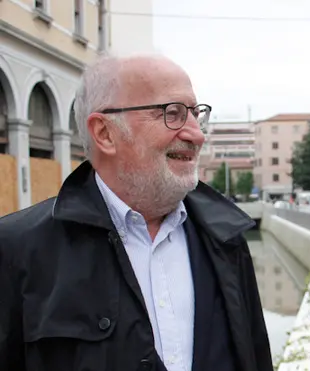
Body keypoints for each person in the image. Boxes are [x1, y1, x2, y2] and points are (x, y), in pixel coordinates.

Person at [0, 53, 273, 371]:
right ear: (105, 133)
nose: (196, 134)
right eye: (173, 113)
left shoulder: (227, 239)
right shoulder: (17, 249)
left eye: (196, 114)